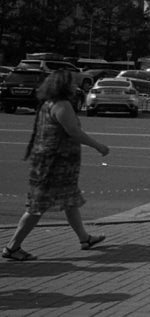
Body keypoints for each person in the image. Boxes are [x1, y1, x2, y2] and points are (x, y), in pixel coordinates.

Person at [3, 70, 110, 261]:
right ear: (63, 86)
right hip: (53, 165)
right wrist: (99, 146)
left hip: (55, 163)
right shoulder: (62, 105)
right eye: (71, 83)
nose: (74, 86)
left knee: (69, 201)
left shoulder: (48, 103)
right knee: (38, 206)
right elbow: (74, 132)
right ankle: (12, 247)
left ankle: (85, 239)